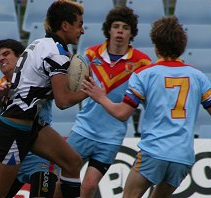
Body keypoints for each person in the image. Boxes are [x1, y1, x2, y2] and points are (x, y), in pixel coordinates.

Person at [81, 16, 211, 198]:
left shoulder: (144, 74)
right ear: (182, 46)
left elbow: (122, 113)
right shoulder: (198, 76)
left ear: (155, 45)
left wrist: (101, 97)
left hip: (154, 152)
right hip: (182, 157)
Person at [0, 1, 86, 197]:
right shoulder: (57, 54)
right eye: (80, 24)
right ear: (65, 25)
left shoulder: (39, 44)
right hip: (14, 129)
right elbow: (63, 101)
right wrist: (87, 92)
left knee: (72, 161)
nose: (82, 30)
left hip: (33, 126)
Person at [66, 6, 151, 197]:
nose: (120, 31)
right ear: (109, 30)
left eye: (125, 27)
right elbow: (74, 85)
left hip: (111, 138)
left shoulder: (142, 63)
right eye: (116, 26)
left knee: (88, 186)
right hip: (83, 130)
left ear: (132, 33)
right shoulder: (90, 55)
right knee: (60, 179)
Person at [0, 39, 60, 198]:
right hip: (12, 155)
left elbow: (60, 96)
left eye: (6, 54)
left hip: (40, 155)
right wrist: (0, 94)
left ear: (20, 57)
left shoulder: (40, 80)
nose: (1, 59)